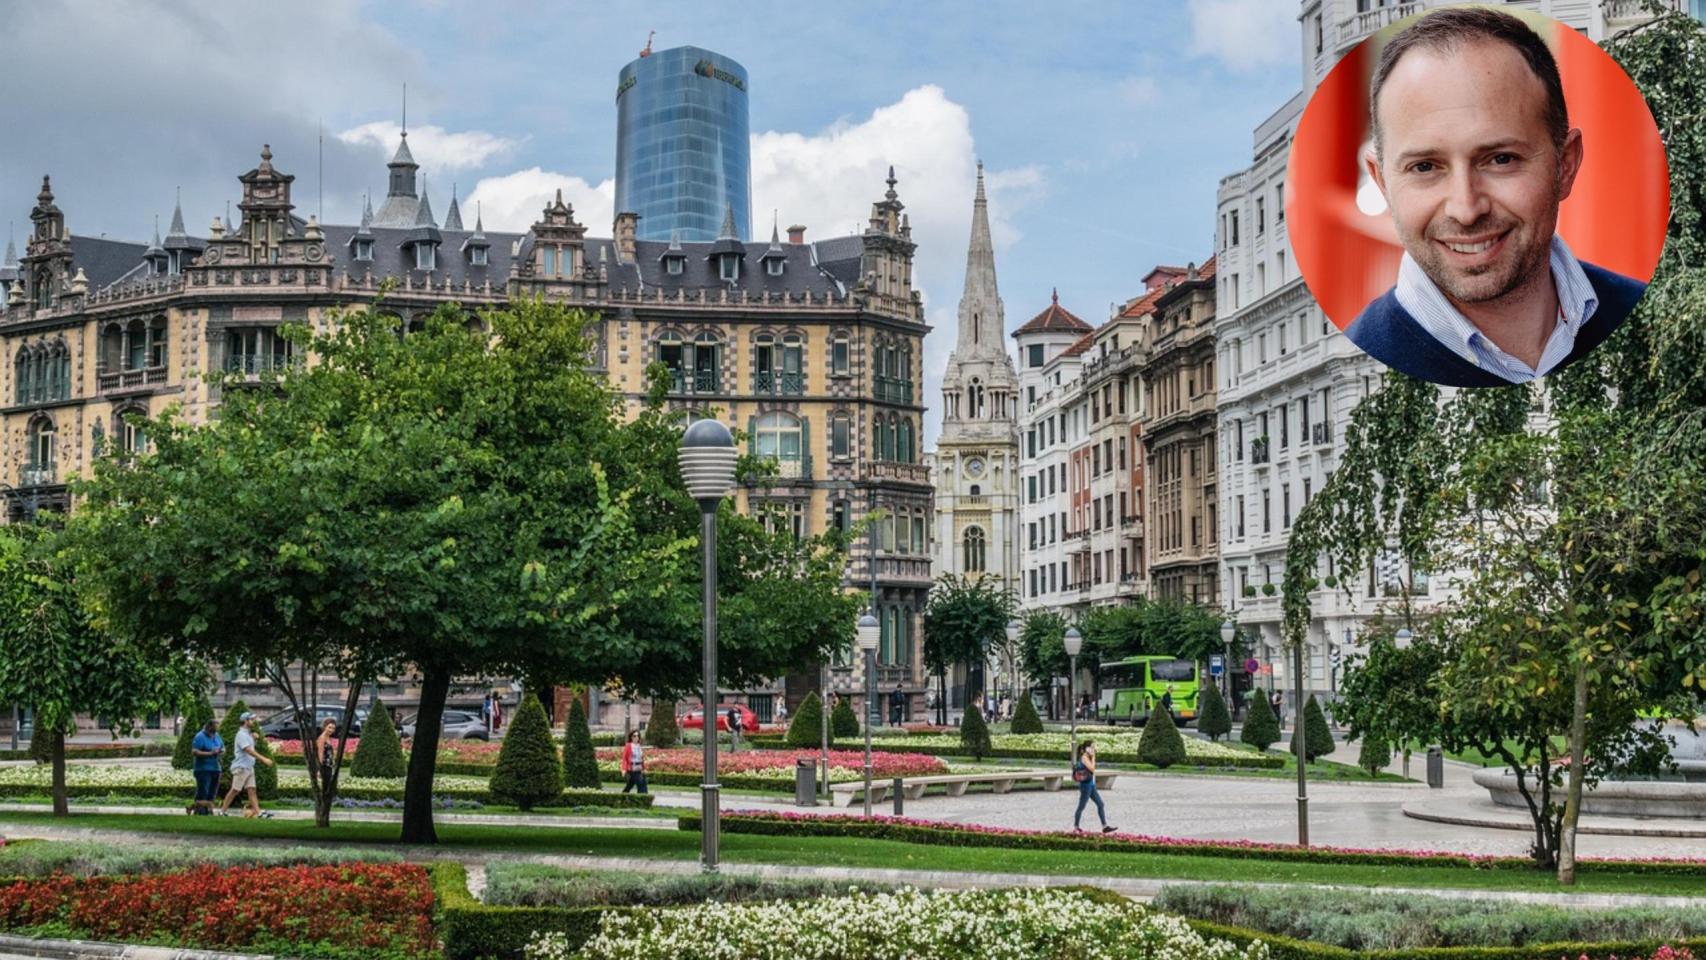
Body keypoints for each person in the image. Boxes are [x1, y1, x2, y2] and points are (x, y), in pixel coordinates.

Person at [1346, 6, 1645, 388]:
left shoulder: (1639, 310)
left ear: (1565, 164)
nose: (1466, 209)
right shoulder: (1365, 352)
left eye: (1501, 160)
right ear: (1382, 182)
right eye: (1425, 167)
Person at [217, 711, 275, 818]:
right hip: (241, 767)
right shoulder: (241, 735)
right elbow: (248, 750)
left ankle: (259, 813)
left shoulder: (247, 734)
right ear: (245, 721)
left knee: (252, 790)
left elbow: (250, 747)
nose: (254, 721)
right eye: (251, 719)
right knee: (235, 790)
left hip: (248, 767)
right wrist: (264, 759)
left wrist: (254, 739)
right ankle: (222, 812)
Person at [1072, 740, 1116, 834]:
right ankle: (1076, 826)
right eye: (1091, 747)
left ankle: (1105, 826)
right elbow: (1092, 769)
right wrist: (1094, 758)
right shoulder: (1084, 757)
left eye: (1094, 747)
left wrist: (1092, 757)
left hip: (1091, 785)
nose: (1093, 749)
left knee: (1100, 804)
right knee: (1081, 806)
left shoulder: (1088, 756)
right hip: (1086, 786)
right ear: (1086, 748)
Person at [186, 719, 223, 816]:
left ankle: (208, 810)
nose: (217, 729)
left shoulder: (217, 736)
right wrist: (210, 753)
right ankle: (200, 811)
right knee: (203, 791)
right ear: (209, 727)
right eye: (216, 727)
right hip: (203, 769)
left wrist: (220, 751)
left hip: (216, 768)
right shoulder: (200, 736)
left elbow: (223, 748)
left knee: (212, 791)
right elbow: (194, 751)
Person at [619, 730, 647, 794]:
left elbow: (641, 758)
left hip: (639, 767)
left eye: (638, 736)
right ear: (631, 737)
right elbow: (624, 758)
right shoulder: (628, 746)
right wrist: (624, 769)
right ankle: (642, 796)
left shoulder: (639, 746)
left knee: (631, 783)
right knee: (640, 782)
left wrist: (643, 768)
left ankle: (623, 794)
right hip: (632, 767)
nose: (636, 737)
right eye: (634, 736)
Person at [314, 718, 339, 788]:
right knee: (326, 786)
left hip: (329, 766)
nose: (331, 730)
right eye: (329, 727)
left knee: (329, 785)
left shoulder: (328, 738)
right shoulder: (322, 738)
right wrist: (319, 769)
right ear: (325, 727)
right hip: (324, 767)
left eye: (333, 728)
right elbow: (320, 754)